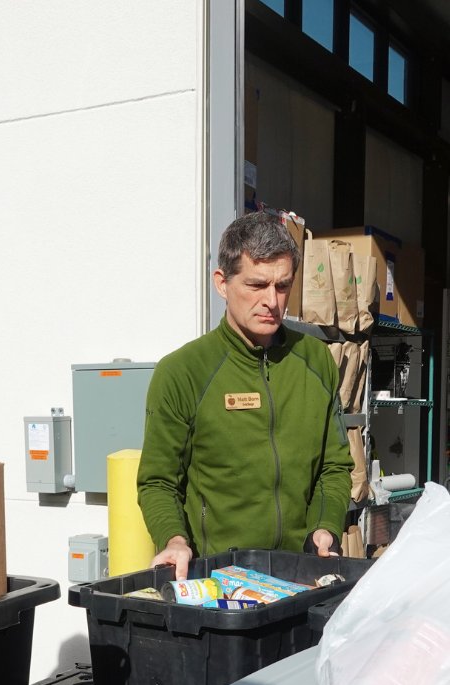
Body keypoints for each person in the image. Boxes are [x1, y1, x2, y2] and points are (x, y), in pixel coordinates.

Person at [137, 210, 352, 580]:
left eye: (282, 286)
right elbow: (158, 481)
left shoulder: (316, 361)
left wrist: (325, 526)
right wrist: (173, 540)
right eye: (256, 285)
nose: (272, 300)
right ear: (222, 283)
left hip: (301, 574)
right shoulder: (182, 372)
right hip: (219, 583)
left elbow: (334, 466)